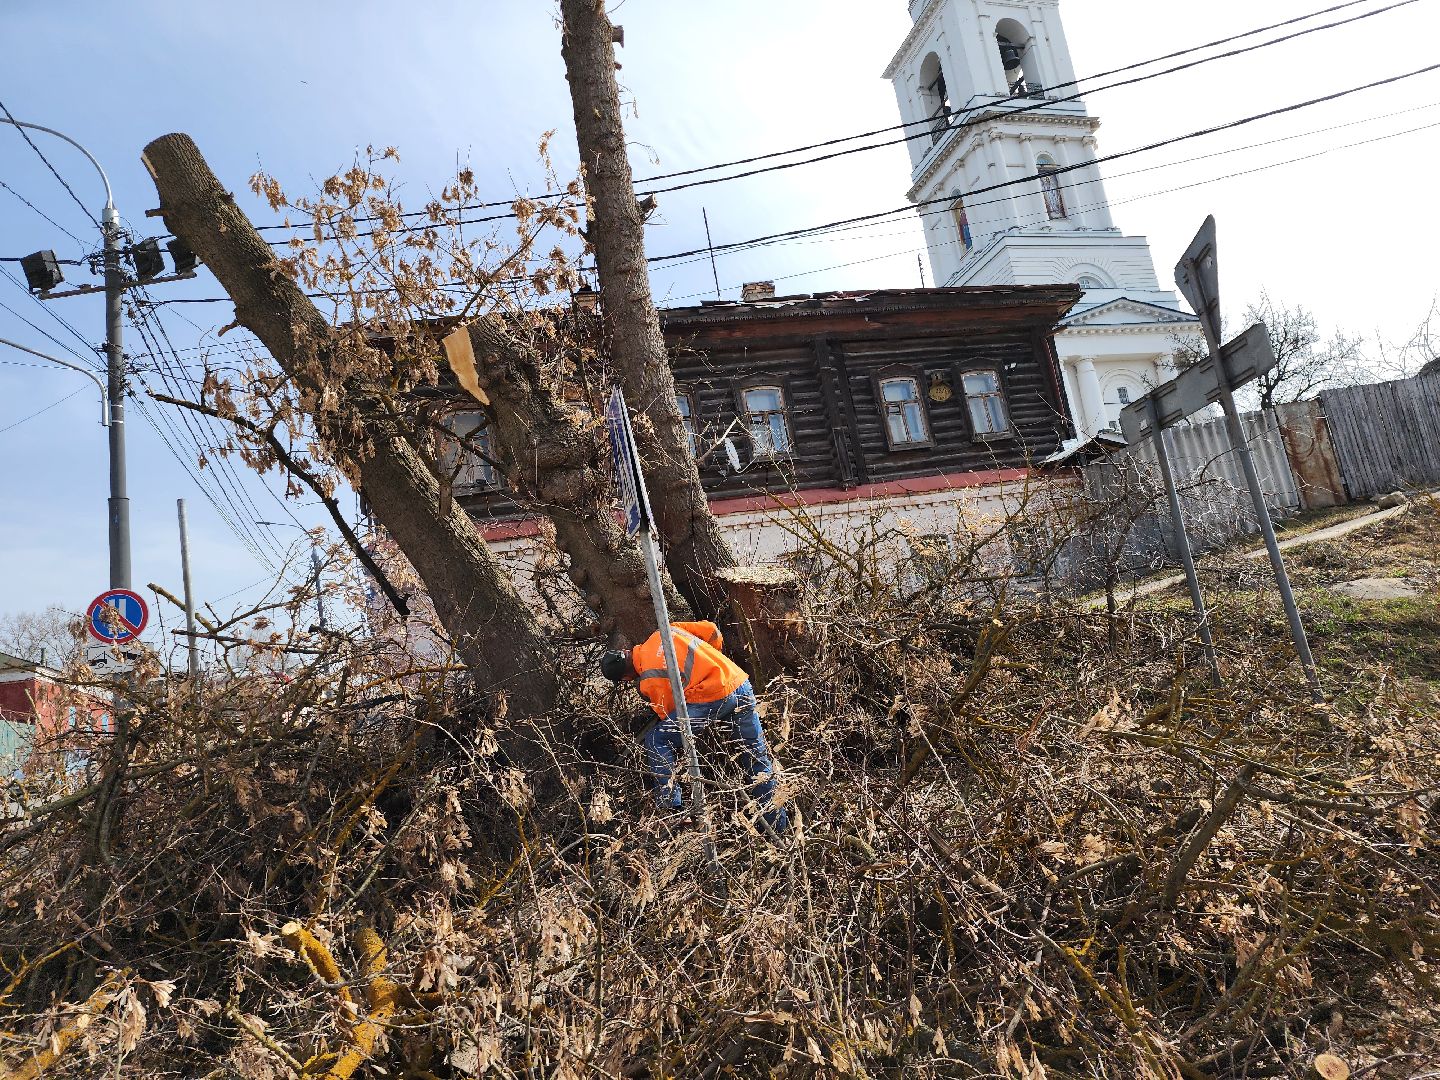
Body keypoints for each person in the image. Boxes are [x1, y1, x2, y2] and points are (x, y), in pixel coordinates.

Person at [600, 621, 789, 832]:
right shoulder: (664, 630)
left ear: (626, 678)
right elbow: (713, 631)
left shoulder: (648, 682)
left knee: (657, 739)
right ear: (626, 650)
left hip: (713, 699)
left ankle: (672, 809)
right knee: (757, 762)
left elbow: (674, 715)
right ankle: (779, 828)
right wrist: (709, 665)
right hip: (737, 682)